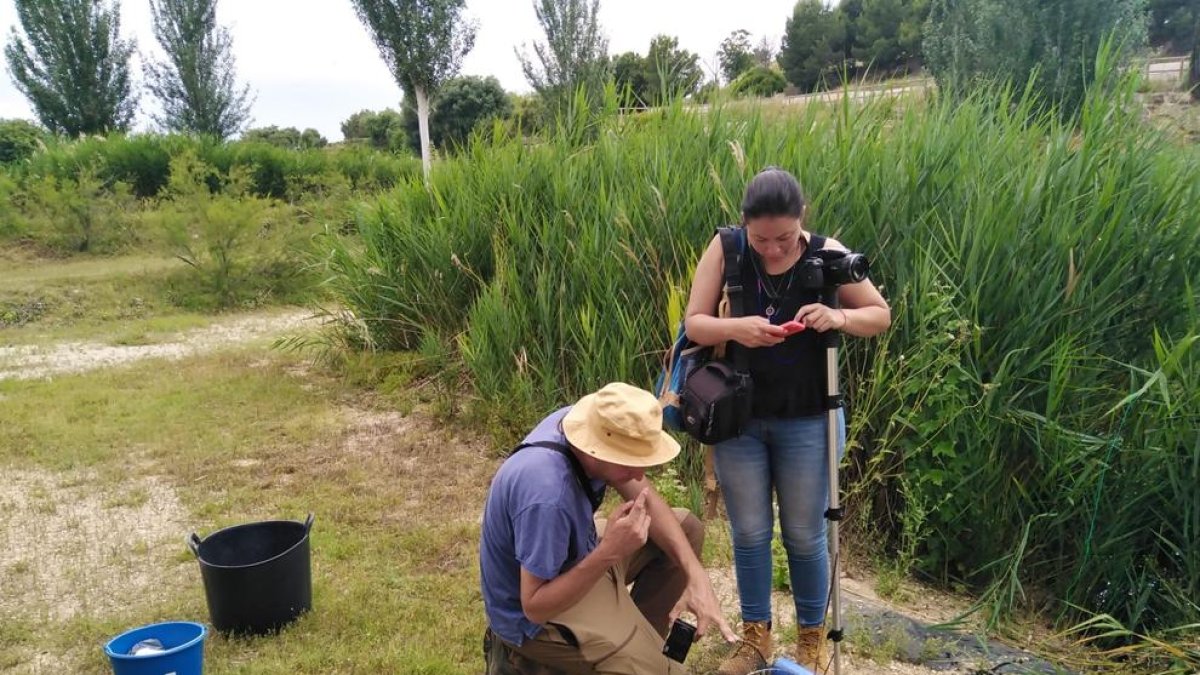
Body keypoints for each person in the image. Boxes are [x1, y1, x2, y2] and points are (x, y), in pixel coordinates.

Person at [683, 168, 892, 674]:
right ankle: (755, 638)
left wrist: (838, 317)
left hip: (809, 419)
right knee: (750, 532)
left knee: (804, 535)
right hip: (738, 419)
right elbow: (695, 322)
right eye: (762, 240)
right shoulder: (726, 248)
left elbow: (880, 314)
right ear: (744, 227)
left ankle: (811, 643)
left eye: (784, 238)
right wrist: (739, 329)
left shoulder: (827, 251)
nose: (773, 250)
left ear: (803, 220)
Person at [480, 382, 737, 674]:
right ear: (600, 452)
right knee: (667, 673)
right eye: (631, 463)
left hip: (575, 556)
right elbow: (534, 606)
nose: (639, 475)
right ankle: (630, 657)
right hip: (534, 616)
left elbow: (646, 498)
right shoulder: (547, 494)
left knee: (686, 530)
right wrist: (609, 552)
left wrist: (696, 574)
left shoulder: (586, 425)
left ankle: (634, 647)